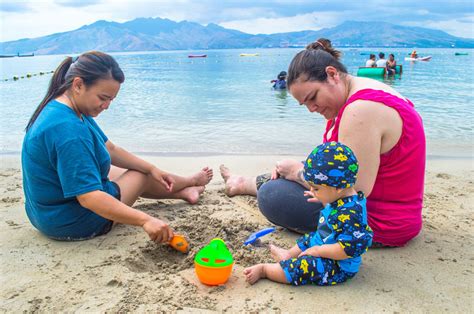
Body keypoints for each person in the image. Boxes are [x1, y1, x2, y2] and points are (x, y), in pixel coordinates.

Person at [220, 38, 426, 247]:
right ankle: (241, 183)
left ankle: (245, 184)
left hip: (380, 222)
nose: (311, 109)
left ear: (332, 74)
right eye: (304, 104)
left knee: (273, 196)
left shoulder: (360, 110)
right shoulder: (366, 90)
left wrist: (299, 173)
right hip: (395, 207)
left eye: (312, 97)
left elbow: (354, 191)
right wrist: (300, 170)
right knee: (307, 165)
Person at [22, 51, 213, 242]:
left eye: (111, 100)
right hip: (72, 222)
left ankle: (186, 190)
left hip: (45, 215)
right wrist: (146, 220)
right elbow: (88, 198)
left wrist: (153, 168)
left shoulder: (67, 107)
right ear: (78, 84)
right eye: (103, 98)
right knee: (140, 175)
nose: (106, 106)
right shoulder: (68, 130)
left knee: (135, 169)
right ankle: (188, 182)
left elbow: (110, 149)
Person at [244, 142, 373, 285]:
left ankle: (266, 270)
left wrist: (318, 251)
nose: (311, 191)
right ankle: (288, 255)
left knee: (303, 267)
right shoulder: (340, 195)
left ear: (338, 188)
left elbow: (348, 249)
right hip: (325, 240)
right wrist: (319, 196)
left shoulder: (352, 214)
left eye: (316, 188)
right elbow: (332, 204)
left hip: (338, 264)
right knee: (309, 238)